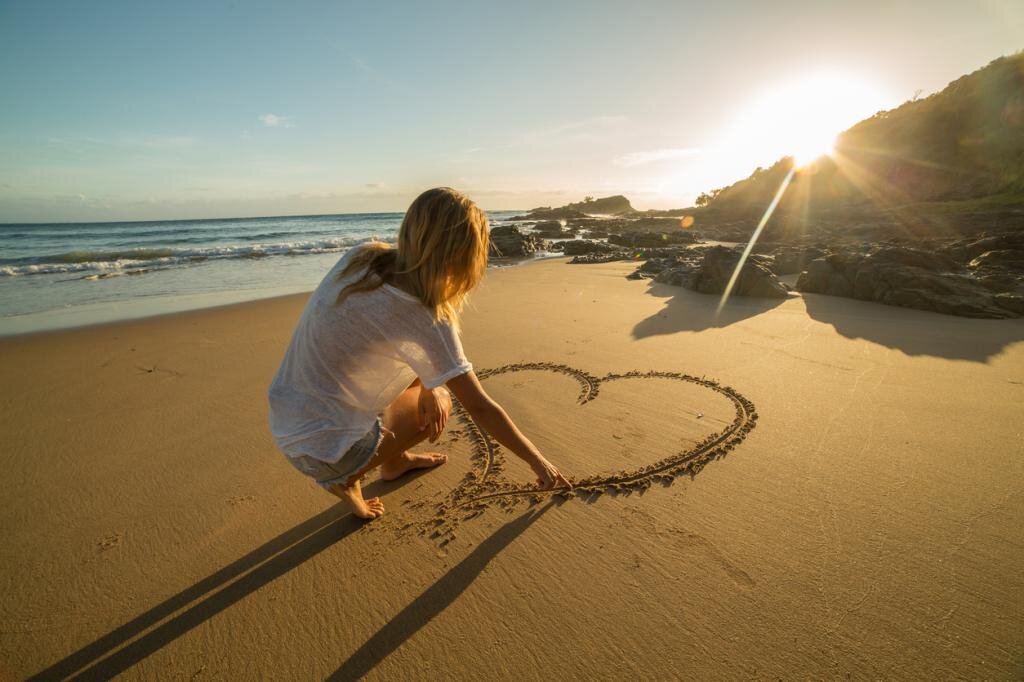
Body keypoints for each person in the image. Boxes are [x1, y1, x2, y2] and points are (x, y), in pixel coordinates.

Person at [268, 187, 570, 520]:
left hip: (286, 421)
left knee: (426, 379)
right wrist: (538, 462)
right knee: (442, 397)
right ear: (464, 256)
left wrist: (427, 384)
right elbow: (481, 407)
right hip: (326, 453)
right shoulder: (427, 318)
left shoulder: (362, 256)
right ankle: (349, 479)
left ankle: (395, 461)